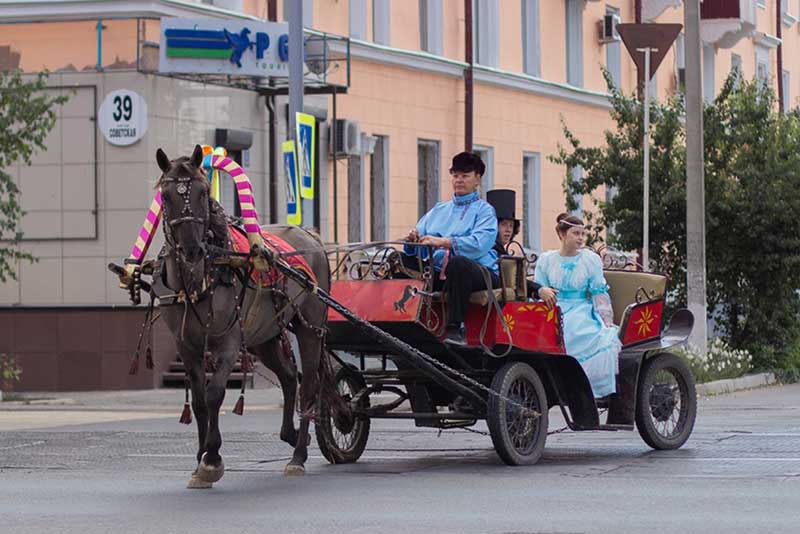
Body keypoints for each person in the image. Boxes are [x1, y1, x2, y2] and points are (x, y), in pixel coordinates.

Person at [403, 152, 499, 346]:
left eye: (465, 175)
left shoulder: (485, 211)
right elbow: (422, 244)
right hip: (440, 274)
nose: (459, 180)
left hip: (479, 274)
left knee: (458, 264)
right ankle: (401, 321)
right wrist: (413, 240)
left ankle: (456, 328)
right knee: (398, 259)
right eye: (455, 176)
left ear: (478, 179)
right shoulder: (440, 209)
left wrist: (444, 242)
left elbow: (479, 244)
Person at [533, 213, 621, 398]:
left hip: (580, 308)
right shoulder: (547, 260)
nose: (581, 238)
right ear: (562, 235)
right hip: (553, 308)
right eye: (576, 233)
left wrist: (606, 319)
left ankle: (580, 388)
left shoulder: (589, 259)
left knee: (578, 332)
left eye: (583, 233)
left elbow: (599, 292)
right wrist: (542, 291)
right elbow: (538, 288)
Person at [485, 189, 557, 309]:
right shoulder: (489, 250)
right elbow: (508, 281)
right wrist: (539, 290)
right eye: (503, 224)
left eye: (511, 226)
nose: (508, 230)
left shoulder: (502, 251)